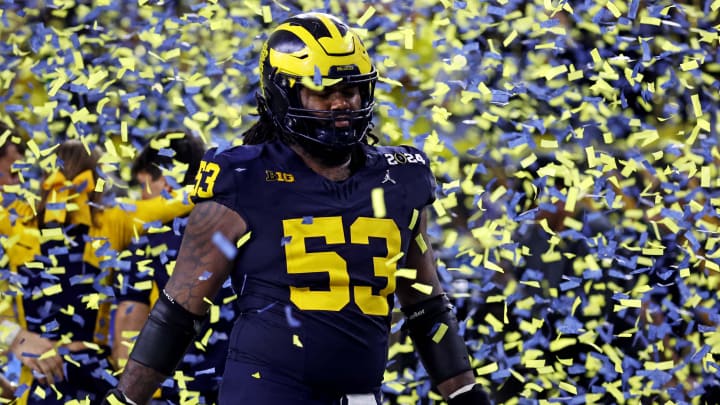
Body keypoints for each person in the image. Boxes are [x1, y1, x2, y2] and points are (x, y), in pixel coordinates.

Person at [105, 12, 490, 405]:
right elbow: (179, 311)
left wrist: (465, 394)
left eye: (351, 89)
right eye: (323, 92)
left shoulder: (399, 178)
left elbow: (425, 305)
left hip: (361, 397)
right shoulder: (242, 175)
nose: (342, 103)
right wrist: (125, 399)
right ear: (283, 94)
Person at [0, 140, 194, 404]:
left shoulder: (15, 220)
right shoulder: (112, 220)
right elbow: (175, 203)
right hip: (94, 375)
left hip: (39, 379)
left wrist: (17, 339)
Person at [112, 130, 235, 404]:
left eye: (141, 184)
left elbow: (128, 334)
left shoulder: (145, 245)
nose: (141, 199)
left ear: (158, 178)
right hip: (237, 390)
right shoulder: (236, 230)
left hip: (172, 395)